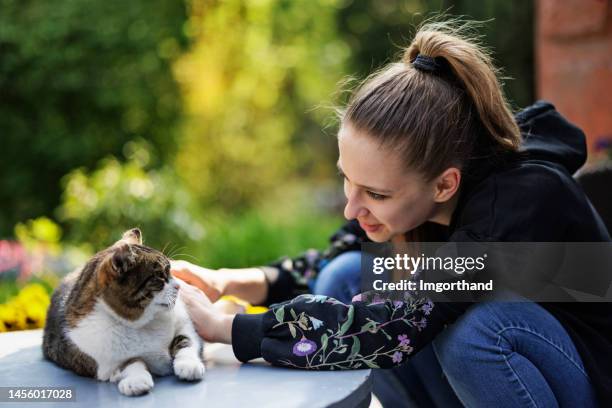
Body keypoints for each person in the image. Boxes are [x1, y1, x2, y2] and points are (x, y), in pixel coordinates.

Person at [171, 21, 612, 407]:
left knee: (479, 334)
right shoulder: (421, 193)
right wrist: (227, 280)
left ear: (445, 184)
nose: (352, 206)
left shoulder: (519, 205)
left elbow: (393, 327)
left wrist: (227, 328)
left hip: (585, 379)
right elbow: (337, 256)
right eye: (347, 180)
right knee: (347, 274)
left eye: (376, 194)